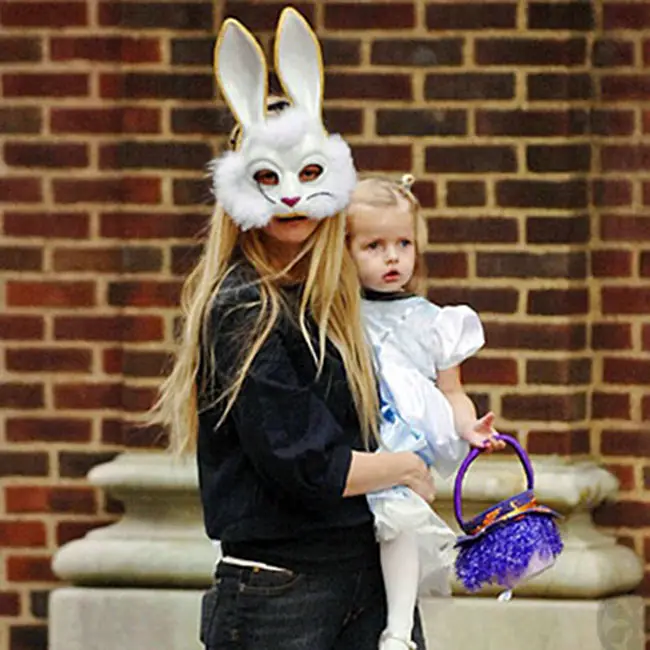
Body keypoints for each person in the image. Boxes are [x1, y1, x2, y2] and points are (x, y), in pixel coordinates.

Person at [151, 9, 434, 650]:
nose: (289, 200)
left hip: (369, 577)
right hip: (281, 591)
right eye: (268, 178)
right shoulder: (242, 308)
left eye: (309, 175)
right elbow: (307, 463)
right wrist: (408, 466)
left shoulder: (343, 302)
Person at [346, 175, 506, 650]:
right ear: (344, 250)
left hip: (405, 437)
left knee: (399, 520)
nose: (392, 257)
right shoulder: (340, 314)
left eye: (403, 243)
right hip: (358, 434)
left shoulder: (434, 321)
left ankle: (397, 631)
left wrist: (468, 426)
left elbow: (452, 391)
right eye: (373, 245)